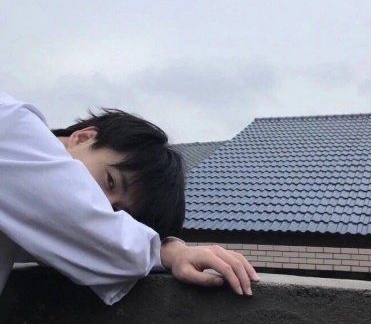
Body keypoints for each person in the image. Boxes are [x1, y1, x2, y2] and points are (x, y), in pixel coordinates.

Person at [0, 92, 259, 305]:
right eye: (110, 181)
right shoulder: (14, 128)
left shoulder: (24, 211)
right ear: (84, 137)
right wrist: (164, 251)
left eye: (116, 212)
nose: (101, 204)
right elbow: (95, 235)